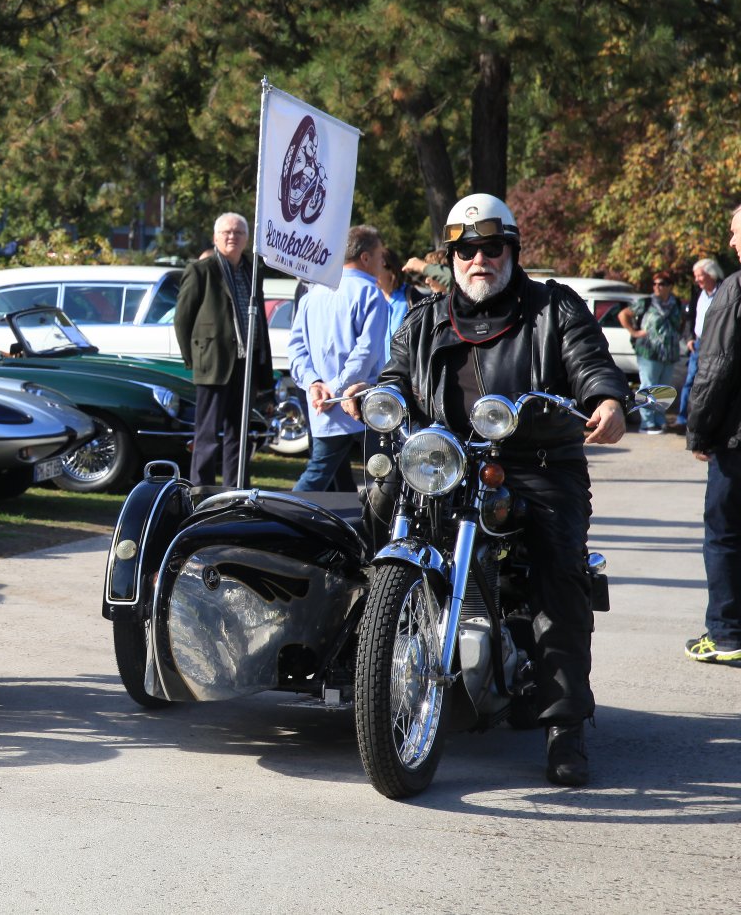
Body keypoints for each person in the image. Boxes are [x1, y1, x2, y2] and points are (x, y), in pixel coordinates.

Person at [378, 192, 628, 787]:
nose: (478, 260)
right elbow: (396, 375)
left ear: (512, 250)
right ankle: (370, 660)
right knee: (377, 511)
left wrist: (607, 400)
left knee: (559, 570)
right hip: (447, 463)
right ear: (450, 258)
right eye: (465, 250)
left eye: (491, 247)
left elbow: (591, 362)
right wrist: (378, 395)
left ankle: (564, 726)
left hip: (536, 462)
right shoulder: (423, 319)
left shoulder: (553, 309)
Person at [174, 213, 272, 493]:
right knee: (207, 436)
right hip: (213, 364)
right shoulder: (202, 270)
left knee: (239, 435)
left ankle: (236, 492)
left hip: (246, 364)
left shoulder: (252, 271)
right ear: (216, 237)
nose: (232, 237)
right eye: (226, 232)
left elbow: (260, 319)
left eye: (238, 232)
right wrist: (195, 358)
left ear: (247, 239)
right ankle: (200, 492)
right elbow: (182, 319)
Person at [286, 226, 389, 492]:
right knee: (387, 473)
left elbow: (296, 350)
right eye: (380, 256)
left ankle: (287, 512)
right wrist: (335, 388)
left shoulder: (312, 295)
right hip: (362, 401)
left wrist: (314, 383)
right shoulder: (370, 293)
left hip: (325, 404)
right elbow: (367, 352)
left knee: (319, 473)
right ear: (365, 257)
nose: (383, 263)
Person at [685, 207, 741, 666]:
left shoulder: (734, 289)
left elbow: (715, 367)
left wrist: (698, 431)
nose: (732, 241)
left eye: (736, 233)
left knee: (724, 535)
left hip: (736, 442)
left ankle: (725, 635)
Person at [618, 272, 683, 434]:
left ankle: (659, 421)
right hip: (649, 352)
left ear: (669, 286)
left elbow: (681, 323)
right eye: (654, 284)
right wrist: (634, 332)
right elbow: (623, 314)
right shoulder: (646, 302)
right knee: (649, 386)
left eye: (661, 284)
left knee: (663, 388)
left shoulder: (676, 303)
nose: (657, 287)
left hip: (669, 353)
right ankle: (646, 423)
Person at [675, 258, 723, 436]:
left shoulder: (725, 290)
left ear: (711, 274)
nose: (697, 280)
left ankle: (708, 421)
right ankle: (682, 420)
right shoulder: (697, 292)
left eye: (699, 276)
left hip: (717, 344)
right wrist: (689, 337)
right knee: (690, 382)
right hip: (698, 343)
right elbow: (690, 317)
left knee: (713, 382)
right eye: (695, 276)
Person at [379, 246, 410, 336]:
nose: (372, 273)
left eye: (376, 267)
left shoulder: (410, 296)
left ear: (391, 270)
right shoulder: (371, 298)